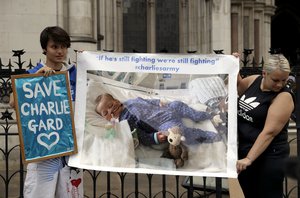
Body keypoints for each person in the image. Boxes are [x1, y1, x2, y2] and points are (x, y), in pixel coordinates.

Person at [10, 26, 83, 198]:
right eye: (54, 47)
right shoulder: (33, 73)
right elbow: (13, 102)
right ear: (45, 48)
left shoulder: (74, 75)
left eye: (64, 46)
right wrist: (36, 79)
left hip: (69, 151)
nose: (60, 51)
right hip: (42, 152)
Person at [235, 53, 294, 198]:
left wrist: (249, 158)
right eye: (275, 80)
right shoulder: (253, 80)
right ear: (264, 73)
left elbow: (269, 132)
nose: (280, 84)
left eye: (284, 80)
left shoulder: (284, 97)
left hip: (269, 157)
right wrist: (233, 64)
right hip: (245, 151)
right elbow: (237, 86)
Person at [95, 93, 222, 145]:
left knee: (184, 107)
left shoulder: (131, 101)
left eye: (110, 105)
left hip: (168, 109)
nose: (110, 111)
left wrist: (158, 102)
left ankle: (212, 117)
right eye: (105, 112)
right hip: (165, 123)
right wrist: (154, 138)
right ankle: (212, 136)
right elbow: (139, 135)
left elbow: (145, 101)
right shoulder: (125, 122)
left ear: (116, 101)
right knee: (181, 133)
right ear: (105, 118)